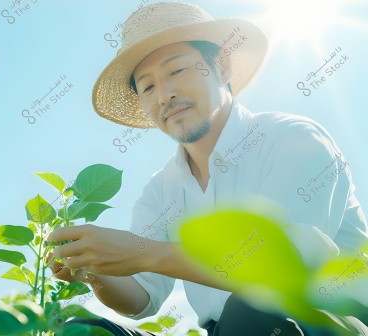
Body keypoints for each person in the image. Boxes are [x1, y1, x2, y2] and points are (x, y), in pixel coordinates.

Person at [44, 2, 368, 335]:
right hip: (225, 330)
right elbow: (143, 296)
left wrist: (145, 253)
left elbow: (285, 267)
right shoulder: (161, 190)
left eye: (177, 71)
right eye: (148, 87)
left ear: (222, 67)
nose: (165, 96)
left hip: (327, 321)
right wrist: (93, 267)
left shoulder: (292, 139)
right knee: (84, 331)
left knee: (252, 307)